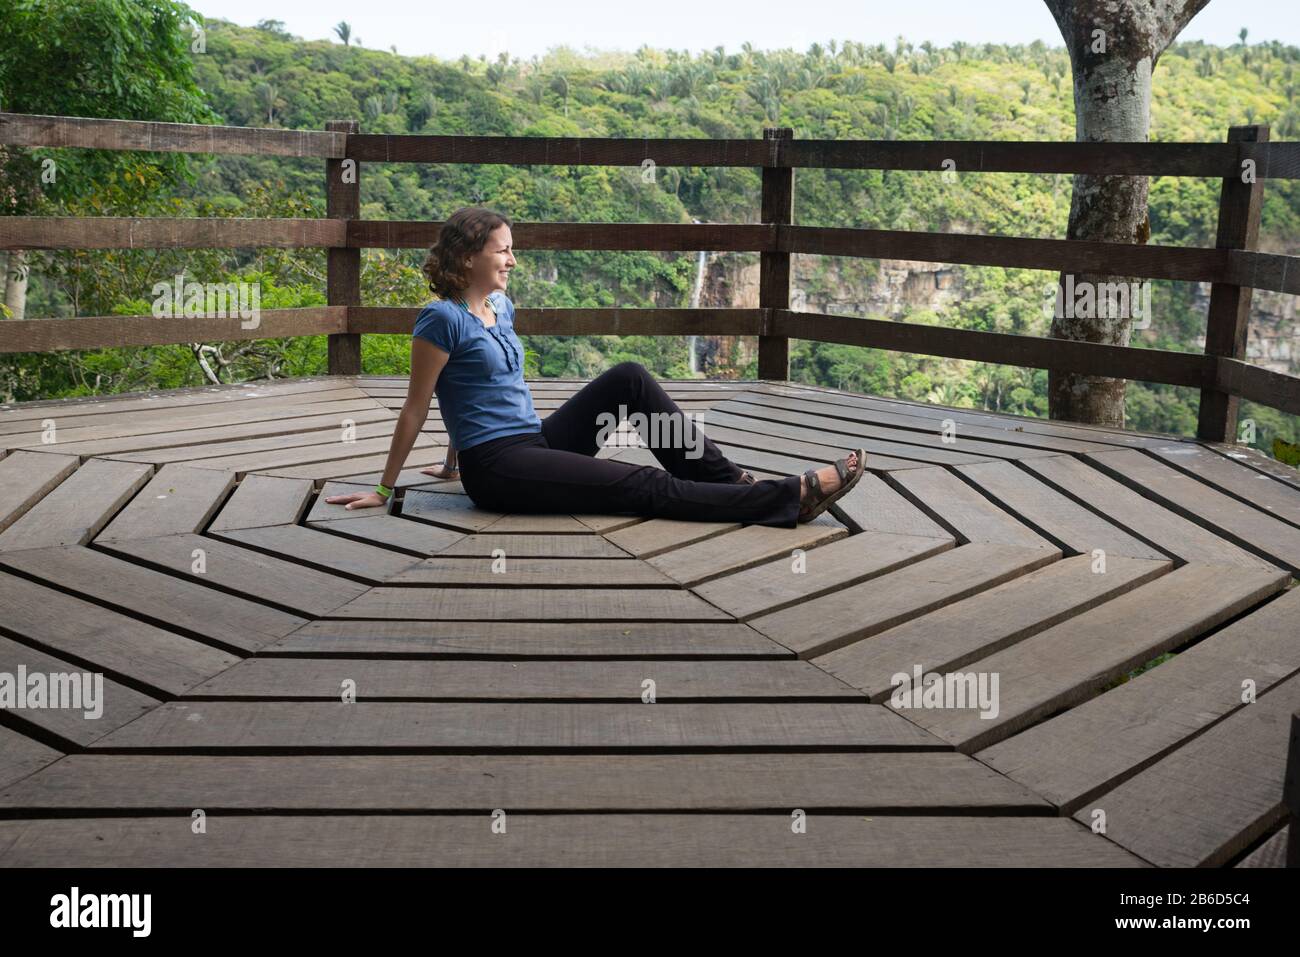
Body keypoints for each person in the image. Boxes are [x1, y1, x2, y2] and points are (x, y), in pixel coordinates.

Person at [324, 206, 865, 527]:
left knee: (628, 376)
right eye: (503, 251)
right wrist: (386, 488)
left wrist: (448, 464)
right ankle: (783, 499)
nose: (513, 260)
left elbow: (469, 391)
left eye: (512, 250)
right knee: (638, 483)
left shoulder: (501, 306)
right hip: (499, 471)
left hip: (532, 442)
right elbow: (420, 405)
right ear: (469, 257)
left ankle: (730, 479)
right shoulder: (438, 320)